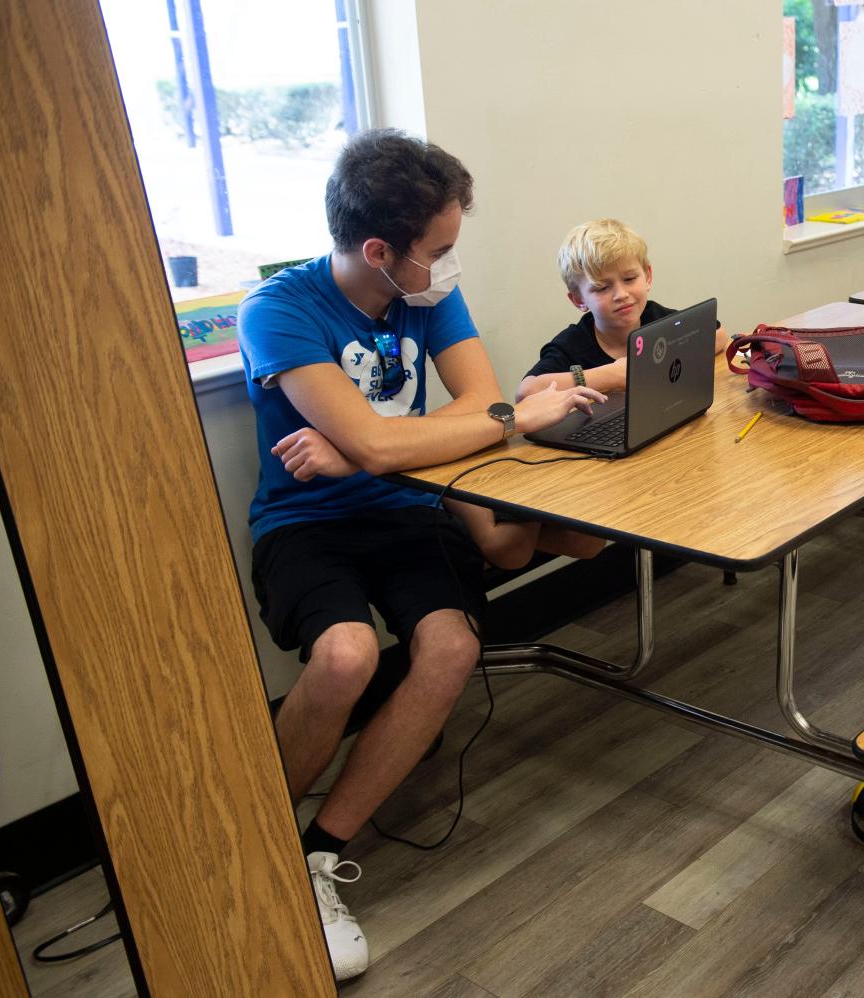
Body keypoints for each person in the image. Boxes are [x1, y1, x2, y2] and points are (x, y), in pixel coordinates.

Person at [238, 129, 603, 980]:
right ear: (379, 250)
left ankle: (317, 859)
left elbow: (472, 398)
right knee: (345, 654)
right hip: (303, 522)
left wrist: (376, 448)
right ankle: (253, 838)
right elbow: (483, 417)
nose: (448, 266)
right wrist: (488, 425)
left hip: (408, 508)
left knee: (452, 647)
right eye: (438, 250)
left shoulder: (425, 294)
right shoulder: (280, 311)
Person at [516, 218, 729, 401]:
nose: (621, 294)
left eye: (629, 278)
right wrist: (613, 375)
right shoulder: (572, 344)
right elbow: (526, 392)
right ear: (579, 300)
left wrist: (651, 364)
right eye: (602, 287)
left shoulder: (656, 318)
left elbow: (719, 335)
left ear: (648, 276)